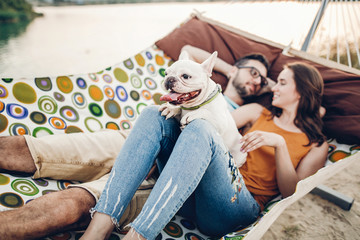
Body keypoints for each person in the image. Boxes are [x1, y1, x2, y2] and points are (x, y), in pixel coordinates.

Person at [0, 46, 273, 239]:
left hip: (178, 167)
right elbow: (189, 49)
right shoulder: (196, 74)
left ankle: (98, 224)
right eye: (252, 72)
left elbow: (214, 137)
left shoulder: (243, 110)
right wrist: (217, 69)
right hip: (141, 139)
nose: (256, 80)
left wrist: (254, 81)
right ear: (233, 69)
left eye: (261, 79)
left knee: (76, 202)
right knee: (39, 149)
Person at [79, 61, 328, 240]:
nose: (273, 87)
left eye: (282, 83)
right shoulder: (257, 112)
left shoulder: (316, 144)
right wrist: (180, 107)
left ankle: (139, 235)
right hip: (188, 190)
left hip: (235, 206)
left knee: (202, 129)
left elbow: (292, 194)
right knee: (155, 114)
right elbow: (214, 120)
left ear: (302, 91)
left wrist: (279, 144)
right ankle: (99, 226)